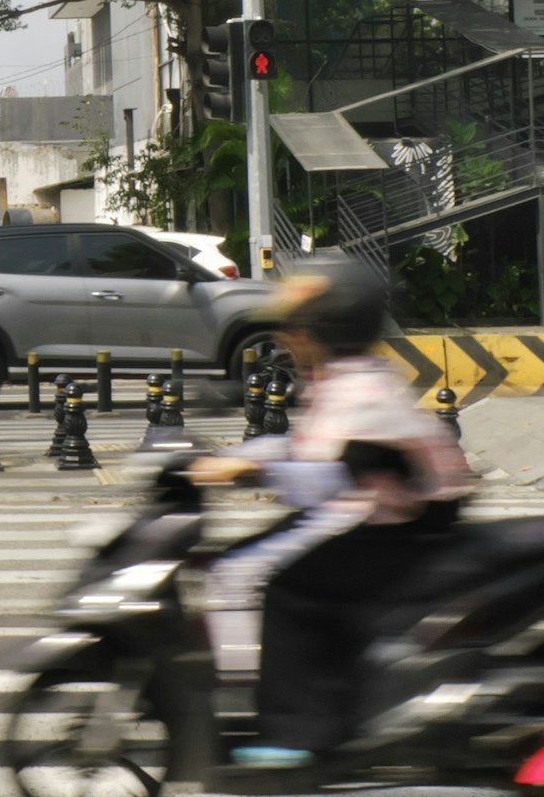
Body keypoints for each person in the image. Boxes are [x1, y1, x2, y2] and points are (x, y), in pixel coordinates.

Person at [196, 258, 470, 766]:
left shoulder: (358, 392)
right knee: (237, 559)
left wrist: (242, 472)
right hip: (378, 518)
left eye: (297, 327)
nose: (286, 337)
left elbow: (319, 475)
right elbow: (308, 451)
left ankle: (299, 728)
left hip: (402, 533)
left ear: (326, 328)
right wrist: (234, 458)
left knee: (283, 587)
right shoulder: (345, 378)